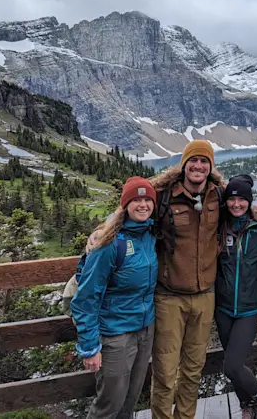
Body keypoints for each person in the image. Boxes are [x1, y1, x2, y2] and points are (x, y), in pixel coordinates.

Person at [71, 176, 158, 419]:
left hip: (144, 330)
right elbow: (85, 298)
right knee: (109, 404)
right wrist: (89, 347)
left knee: (130, 399)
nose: (143, 205)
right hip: (115, 335)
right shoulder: (109, 243)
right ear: (125, 205)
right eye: (136, 199)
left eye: (147, 199)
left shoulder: (151, 234)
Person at [150, 140, 225, 419]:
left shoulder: (219, 196)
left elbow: (247, 212)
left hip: (205, 296)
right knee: (166, 373)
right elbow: (132, 214)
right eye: (193, 160)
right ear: (184, 164)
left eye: (204, 161)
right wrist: (102, 234)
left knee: (193, 371)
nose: (198, 166)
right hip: (169, 297)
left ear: (210, 167)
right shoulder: (163, 196)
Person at [215, 174, 257, 418]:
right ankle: (246, 404)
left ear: (249, 201)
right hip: (224, 307)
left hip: (249, 307)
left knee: (233, 365)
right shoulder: (219, 226)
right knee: (231, 366)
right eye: (231, 199)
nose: (236, 204)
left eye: (242, 199)